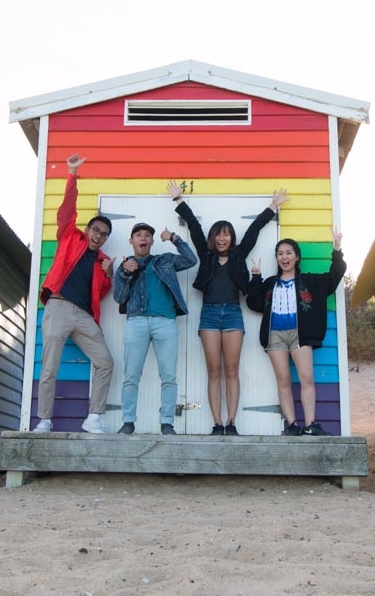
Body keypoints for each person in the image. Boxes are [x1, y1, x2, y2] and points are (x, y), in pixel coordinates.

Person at [167, 180, 288, 435]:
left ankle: (231, 422)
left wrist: (272, 207)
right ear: (213, 238)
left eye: (227, 234)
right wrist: (179, 200)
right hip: (209, 315)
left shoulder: (238, 255)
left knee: (231, 370)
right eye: (218, 234)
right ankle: (217, 423)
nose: (222, 238)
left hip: (233, 315)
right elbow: (195, 227)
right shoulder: (206, 255)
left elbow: (254, 230)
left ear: (231, 238)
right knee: (214, 371)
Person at [33, 154, 115, 434]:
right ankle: (44, 420)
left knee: (105, 362)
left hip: (83, 316)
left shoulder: (102, 260)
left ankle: (93, 417)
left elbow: (102, 293)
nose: (98, 236)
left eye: (104, 234)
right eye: (96, 230)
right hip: (58, 307)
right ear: (88, 229)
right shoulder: (70, 236)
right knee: (49, 368)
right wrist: (72, 175)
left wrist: (109, 273)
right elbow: (66, 211)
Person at [246, 228, 346, 436]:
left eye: (289, 253)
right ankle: (292, 424)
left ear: (297, 257)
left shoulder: (310, 281)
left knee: (306, 378)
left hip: (300, 335)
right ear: (277, 258)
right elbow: (253, 302)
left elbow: (334, 276)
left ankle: (311, 425)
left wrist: (337, 249)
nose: (285, 257)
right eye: (280, 253)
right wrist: (256, 277)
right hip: (275, 336)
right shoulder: (270, 284)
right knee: (283, 380)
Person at [112, 222, 197, 435]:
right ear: (131, 241)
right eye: (138, 235)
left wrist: (174, 238)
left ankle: (167, 423)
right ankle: (128, 422)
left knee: (168, 376)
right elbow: (119, 298)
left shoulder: (164, 260)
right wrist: (124, 273)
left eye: (147, 235)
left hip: (165, 321)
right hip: (136, 322)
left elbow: (190, 259)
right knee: (131, 375)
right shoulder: (125, 266)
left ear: (151, 241)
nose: (143, 238)